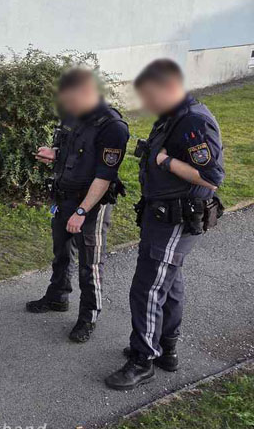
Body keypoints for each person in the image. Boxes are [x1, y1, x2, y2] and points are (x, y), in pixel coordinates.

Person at [106, 59, 225, 390]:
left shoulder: (194, 123)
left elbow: (212, 177)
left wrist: (167, 162)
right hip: (161, 215)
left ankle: (142, 361)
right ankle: (165, 348)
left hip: (176, 218)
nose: (147, 103)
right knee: (169, 283)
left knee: (148, 287)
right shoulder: (172, 117)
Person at [27, 69, 130, 343]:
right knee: (61, 253)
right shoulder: (73, 116)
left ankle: (88, 317)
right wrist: (55, 154)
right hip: (64, 197)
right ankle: (58, 296)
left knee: (90, 264)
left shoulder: (113, 127)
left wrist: (82, 212)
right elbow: (74, 152)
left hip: (91, 204)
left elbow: (104, 176)